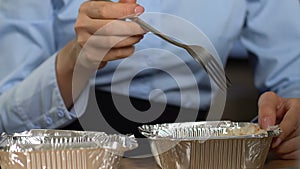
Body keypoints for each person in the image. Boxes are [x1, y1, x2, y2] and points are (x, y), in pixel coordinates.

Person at [0, 0, 299, 159]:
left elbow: (291, 75)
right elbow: (6, 118)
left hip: (199, 146)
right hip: (66, 143)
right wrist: (73, 59)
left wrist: (292, 111)